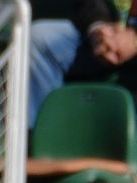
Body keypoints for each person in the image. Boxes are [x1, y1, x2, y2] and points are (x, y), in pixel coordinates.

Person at [26, 0, 137, 129]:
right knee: (39, 38)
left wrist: (134, 41)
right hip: (105, 33)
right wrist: (99, 29)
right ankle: (40, 135)